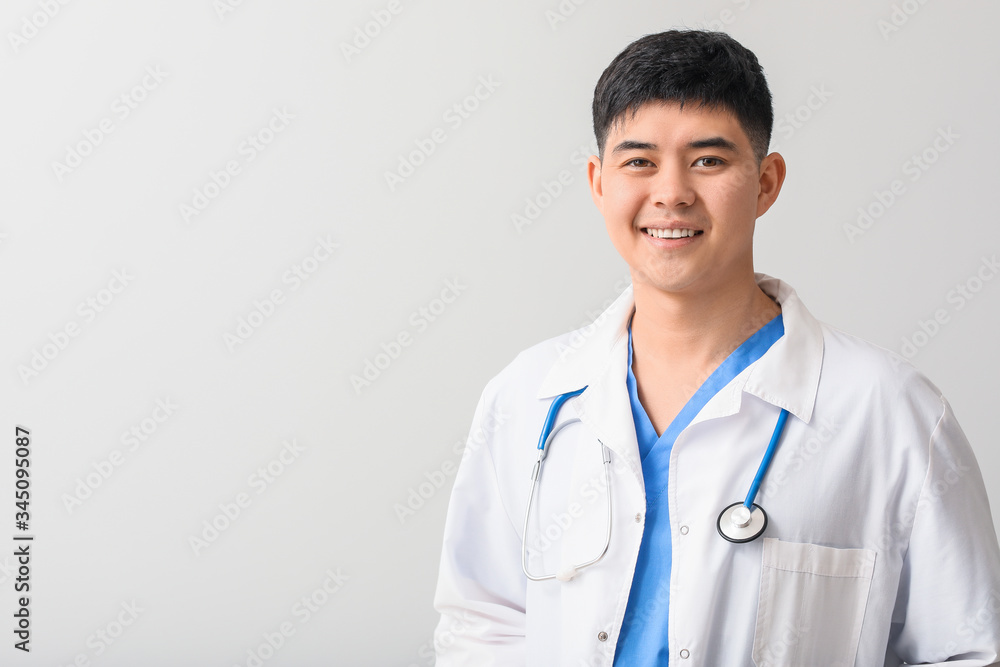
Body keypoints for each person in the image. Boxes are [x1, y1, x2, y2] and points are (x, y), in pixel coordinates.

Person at [431, 29, 1000, 666]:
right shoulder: (528, 396)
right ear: (599, 183)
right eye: (638, 161)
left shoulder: (889, 411)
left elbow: (967, 651)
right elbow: (480, 624)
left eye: (708, 160)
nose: (671, 193)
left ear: (766, 182)